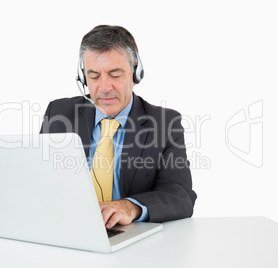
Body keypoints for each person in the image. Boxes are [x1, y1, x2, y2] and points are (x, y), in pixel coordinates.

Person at [40, 25, 197, 229]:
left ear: (135, 73)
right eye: (94, 76)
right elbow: (38, 181)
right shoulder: (58, 113)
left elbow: (180, 195)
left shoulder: (165, 123)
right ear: (82, 76)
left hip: (128, 237)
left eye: (115, 75)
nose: (104, 88)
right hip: (67, 230)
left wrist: (130, 207)